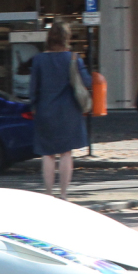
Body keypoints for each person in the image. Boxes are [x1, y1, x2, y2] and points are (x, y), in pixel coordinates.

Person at [28, 21, 90, 200]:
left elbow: (33, 88)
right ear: (67, 37)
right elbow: (85, 82)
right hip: (69, 111)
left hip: (45, 110)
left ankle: (48, 193)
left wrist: (34, 107)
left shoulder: (39, 59)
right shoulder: (73, 58)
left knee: (47, 154)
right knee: (65, 153)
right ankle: (63, 193)